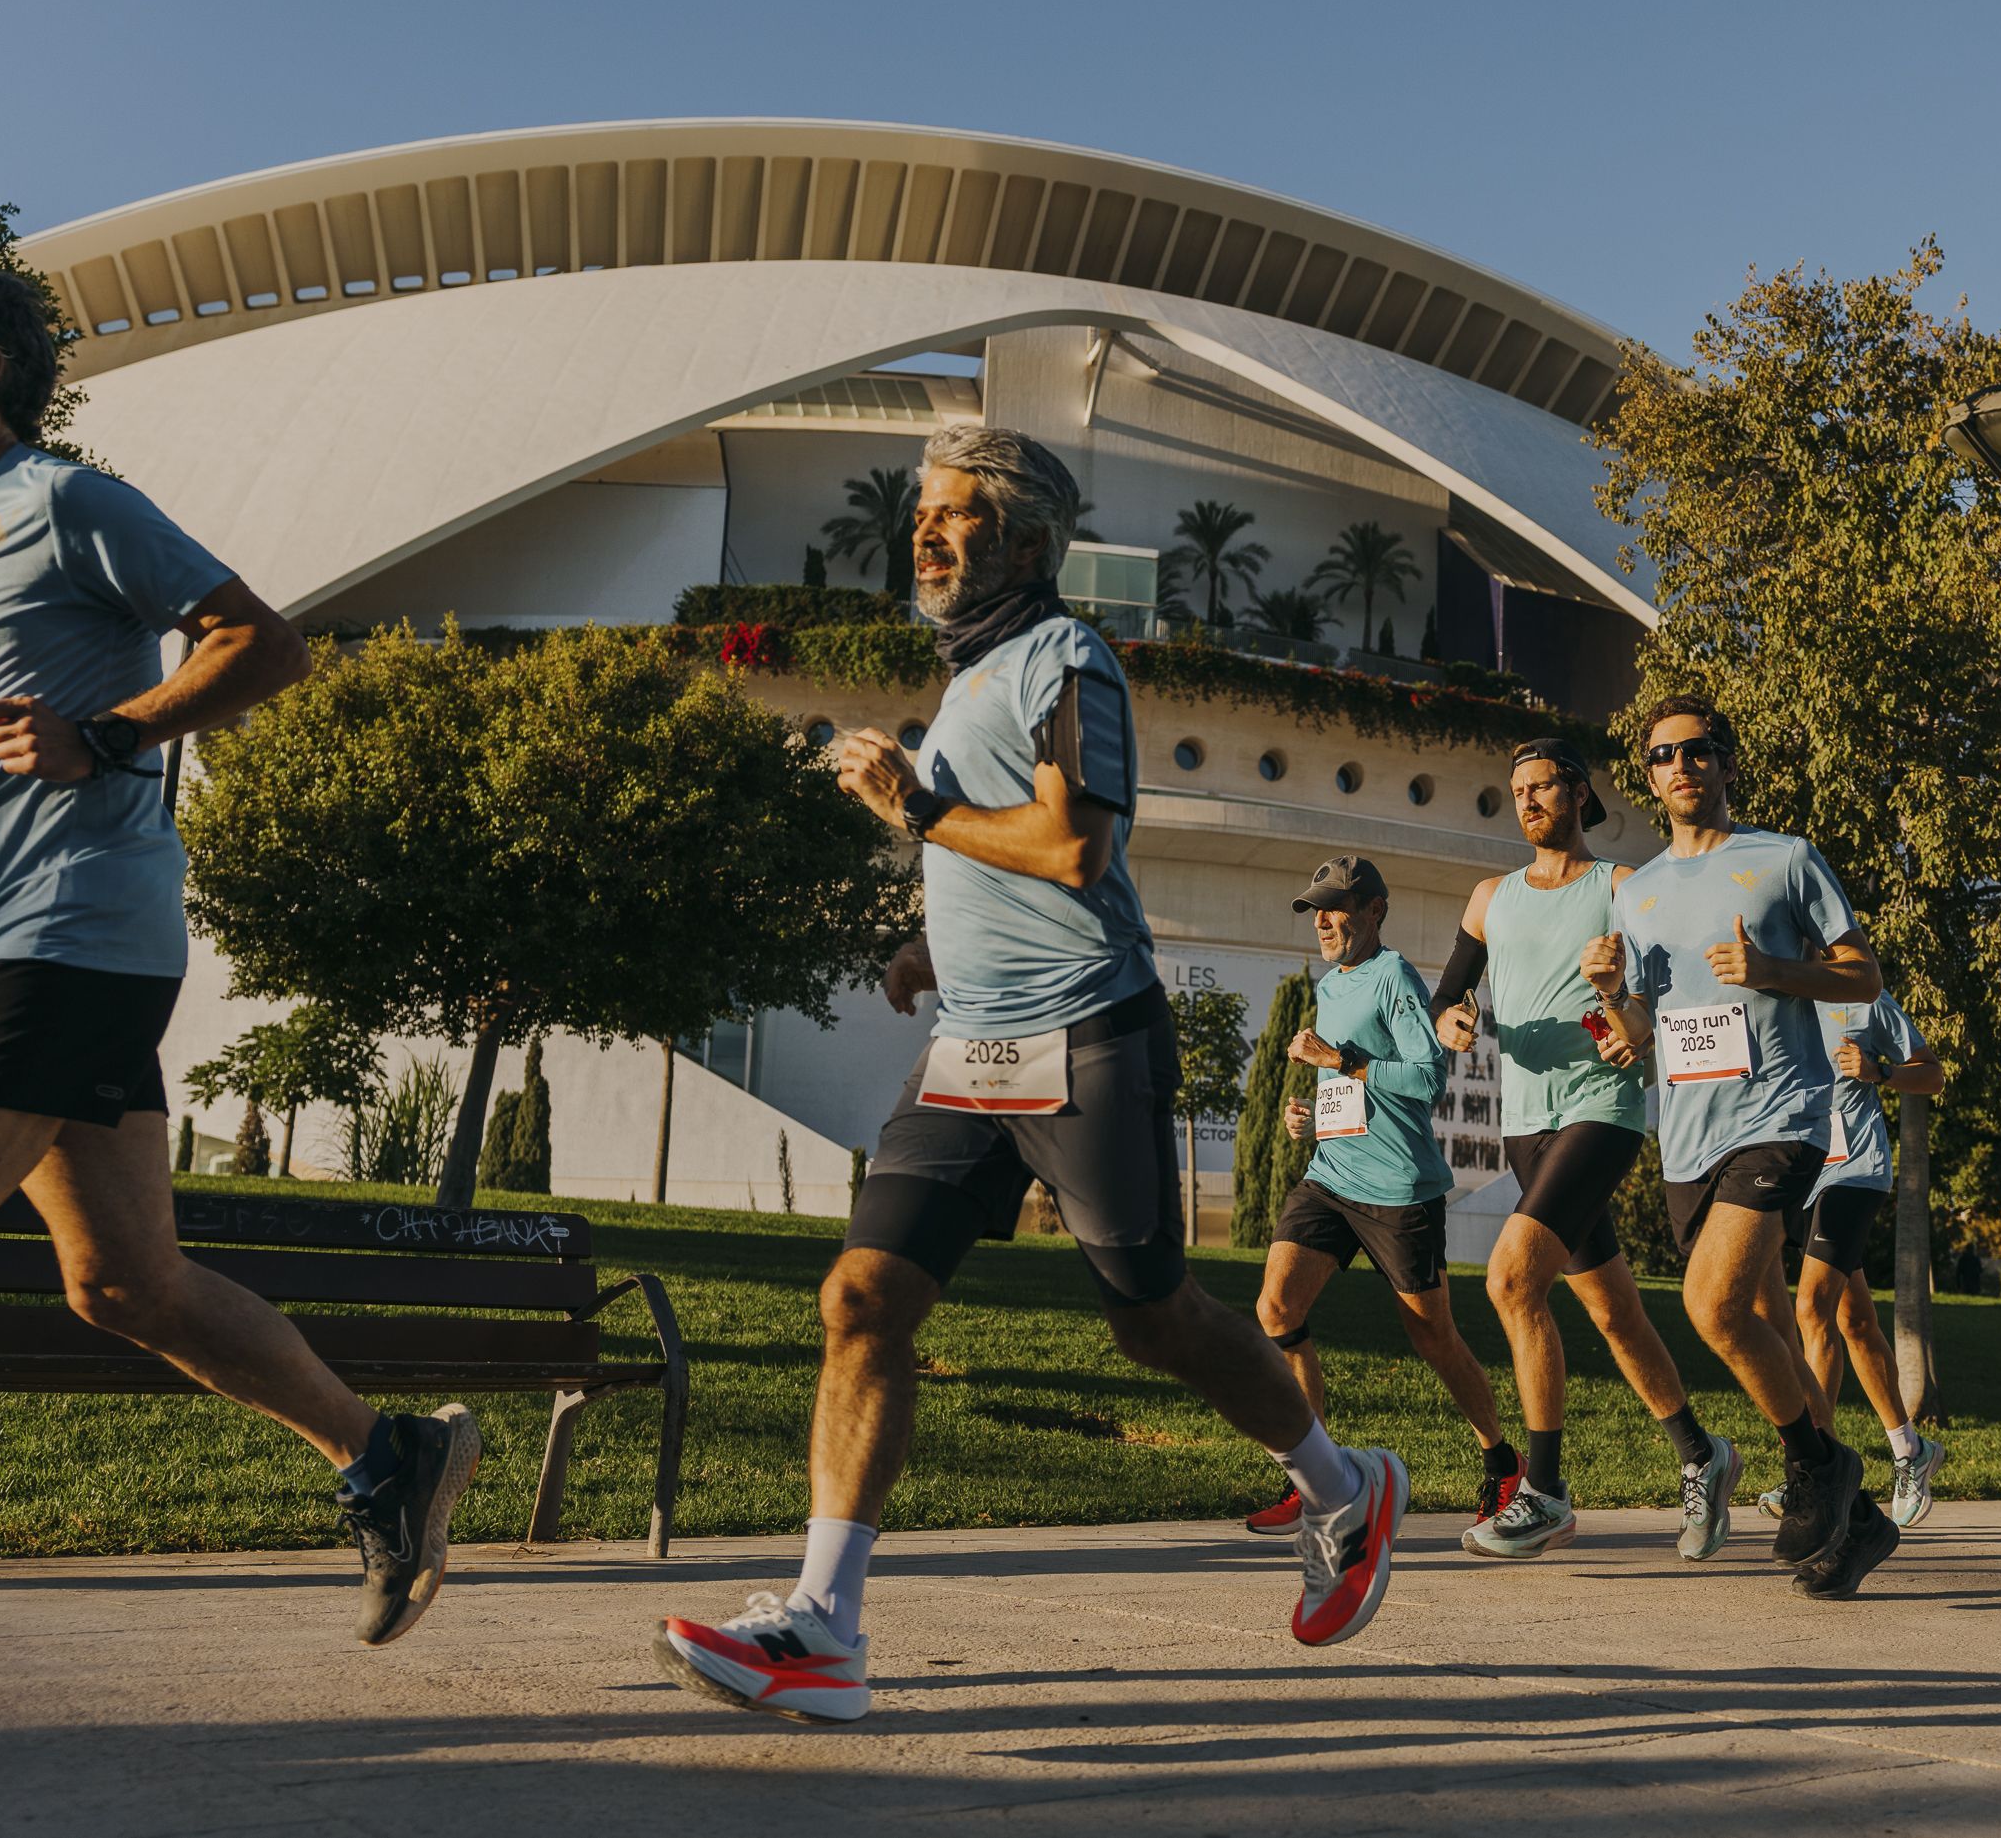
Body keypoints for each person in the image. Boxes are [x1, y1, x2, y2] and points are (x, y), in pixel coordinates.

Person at [655, 426, 1406, 1724]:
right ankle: (824, 1628)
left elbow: (1071, 844)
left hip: (1087, 1037)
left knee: (1152, 1318)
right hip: (967, 1055)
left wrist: (920, 811)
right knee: (861, 1300)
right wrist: (927, 940)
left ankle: (1346, 1488)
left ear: (1026, 541)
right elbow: (992, 857)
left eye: (959, 514)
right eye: (924, 515)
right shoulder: (969, 680)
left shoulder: (1071, 659)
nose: (928, 533)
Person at [0, 255, 480, 1641]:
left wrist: (113, 733)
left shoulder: (61, 501)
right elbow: (0, 760)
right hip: (1, 933)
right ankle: (388, 1453)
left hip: (77, 927)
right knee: (123, 1282)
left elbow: (263, 641)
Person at [1588, 694, 1894, 1599]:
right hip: (1687, 1133)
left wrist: (1772, 972)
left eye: (1695, 751)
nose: (1678, 766)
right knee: (1746, 1319)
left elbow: (1864, 971)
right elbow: (1642, 1029)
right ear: (1647, 777)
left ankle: (1816, 1468)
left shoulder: (1784, 859)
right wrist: (1611, 995)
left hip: (1782, 1111)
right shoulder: (1635, 891)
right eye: (1660, 756)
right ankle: (1859, 1515)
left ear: (1724, 762)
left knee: (1714, 1307)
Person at [1428, 741, 1714, 1562]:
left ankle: (1545, 1492)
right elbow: (1448, 993)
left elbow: (1660, 1000)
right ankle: (1701, 1453)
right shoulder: (1491, 897)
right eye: (1515, 790)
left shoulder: (1620, 888)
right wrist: (1452, 1019)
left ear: (1579, 793)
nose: (1526, 800)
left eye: (1541, 786)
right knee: (1613, 1311)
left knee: (1513, 1278)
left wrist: (1623, 1004)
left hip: (1602, 1110)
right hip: (1527, 1121)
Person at [1240, 856, 1516, 1531]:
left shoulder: (1394, 977)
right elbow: (1354, 1086)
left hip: (1397, 1187)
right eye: (1317, 909)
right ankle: (1318, 1478)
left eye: (1337, 906)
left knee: (1434, 1336)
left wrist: (1338, 1060)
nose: (1325, 920)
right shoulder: (1332, 985)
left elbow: (1425, 1079)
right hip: (1332, 1176)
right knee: (1276, 1308)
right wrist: (1311, 1111)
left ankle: (1504, 1462)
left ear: (1374, 911)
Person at [1753, 990, 1946, 1529]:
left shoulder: (1863, 1001)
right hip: (1798, 1171)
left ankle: (1817, 1468)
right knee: (1854, 1320)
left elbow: (1931, 1074)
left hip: (1854, 1171)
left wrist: (1878, 1070)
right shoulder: (1769, 998)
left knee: (1810, 1309)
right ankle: (1910, 1449)